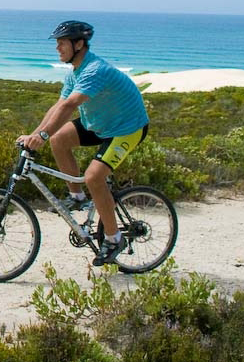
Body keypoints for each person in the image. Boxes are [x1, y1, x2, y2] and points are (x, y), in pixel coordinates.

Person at [17, 20, 149, 266]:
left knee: (94, 177)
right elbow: (58, 106)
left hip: (126, 128)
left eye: (62, 43)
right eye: (57, 44)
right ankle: (77, 197)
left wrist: (41, 137)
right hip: (98, 124)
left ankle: (114, 238)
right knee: (58, 140)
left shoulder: (94, 70)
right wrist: (35, 134)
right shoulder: (75, 72)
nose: (57, 48)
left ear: (79, 44)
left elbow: (69, 106)